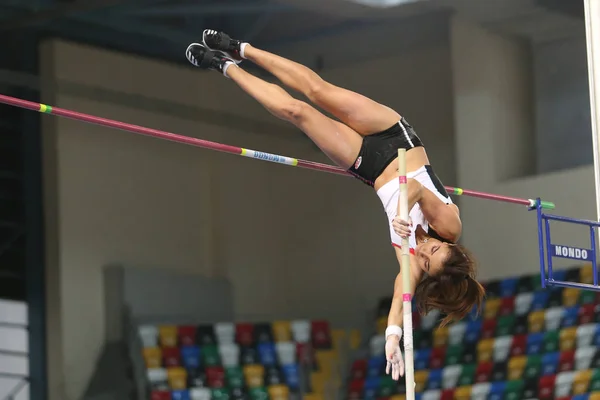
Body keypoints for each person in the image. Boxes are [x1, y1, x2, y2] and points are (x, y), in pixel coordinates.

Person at [185, 30, 485, 380]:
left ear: (428, 276)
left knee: (296, 111)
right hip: (394, 136)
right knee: (316, 90)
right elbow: (415, 188)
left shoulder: (414, 266)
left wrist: (393, 336)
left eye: (427, 259)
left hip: (370, 168)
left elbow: (398, 296)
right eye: (435, 248)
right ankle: (241, 48)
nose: (426, 249)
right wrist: (403, 211)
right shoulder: (450, 226)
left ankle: (224, 66)